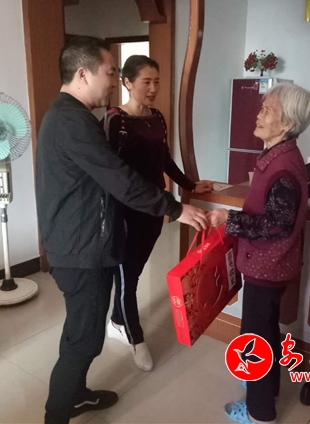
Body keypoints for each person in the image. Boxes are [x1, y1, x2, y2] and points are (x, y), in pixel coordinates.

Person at [35, 36, 208, 424]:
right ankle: (56, 415)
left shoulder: (71, 116)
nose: (114, 81)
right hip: (80, 250)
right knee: (83, 341)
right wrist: (174, 208)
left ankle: (77, 394)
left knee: (84, 333)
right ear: (83, 74)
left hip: (81, 243)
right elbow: (119, 178)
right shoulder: (73, 121)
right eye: (110, 73)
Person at [207, 83, 310, 424]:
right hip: (269, 264)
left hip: (268, 267)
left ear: (286, 124)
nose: (258, 114)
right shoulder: (279, 156)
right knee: (263, 334)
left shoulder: (283, 168)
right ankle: (266, 390)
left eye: (267, 110)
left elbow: (276, 226)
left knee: (257, 339)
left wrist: (229, 219)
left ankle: (260, 413)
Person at [103, 55, 213, 371]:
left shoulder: (157, 118)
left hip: (153, 210)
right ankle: (135, 338)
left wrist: (189, 185)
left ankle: (117, 320)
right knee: (126, 276)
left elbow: (163, 159)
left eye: (157, 82)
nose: (153, 88)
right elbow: (109, 171)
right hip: (124, 211)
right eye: (146, 82)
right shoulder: (114, 120)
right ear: (127, 82)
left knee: (134, 272)